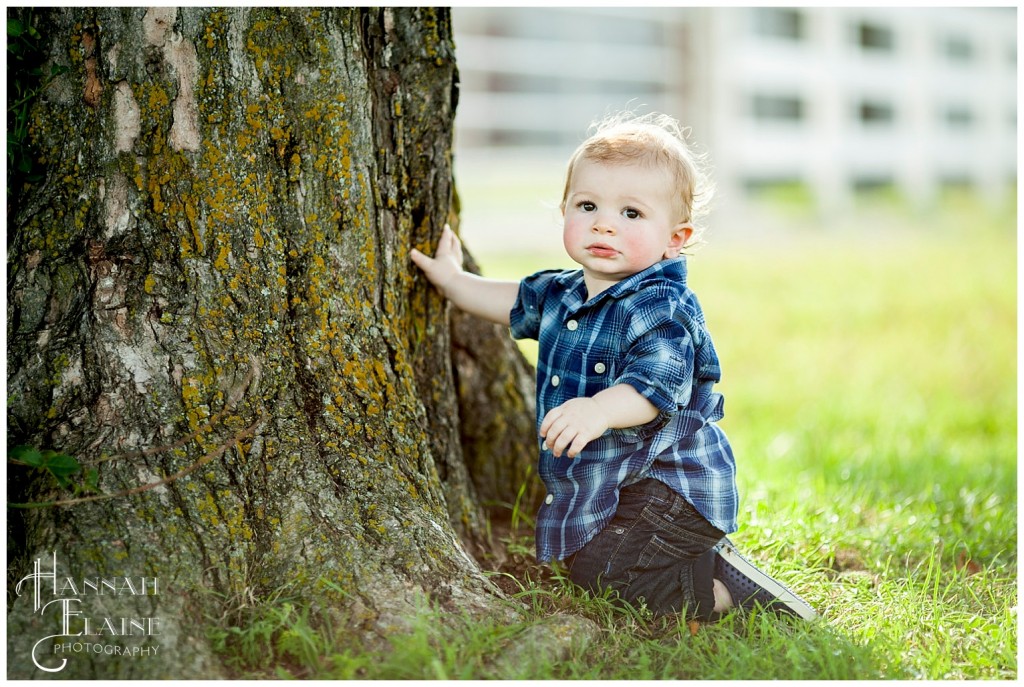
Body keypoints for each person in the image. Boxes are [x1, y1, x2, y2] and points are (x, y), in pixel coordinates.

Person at [411, 112, 816, 622]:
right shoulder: (563, 292)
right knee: (582, 556)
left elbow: (655, 386)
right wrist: (452, 282)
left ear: (675, 238)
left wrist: (598, 411)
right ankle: (696, 562)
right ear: (565, 211)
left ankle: (722, 591)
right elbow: (510, 300)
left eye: (631, 213)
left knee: (601, 573)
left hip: (672, 489)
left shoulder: (659, 306)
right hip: (625, 485)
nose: (604, 223)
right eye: (588, 206)